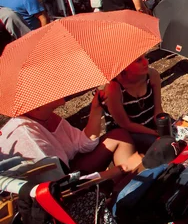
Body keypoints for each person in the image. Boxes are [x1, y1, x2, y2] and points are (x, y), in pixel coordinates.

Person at [0, 96, 141, 176]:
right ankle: (119, 201)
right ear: (35, 103)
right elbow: (60, 187)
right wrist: (122, 168)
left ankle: (128, 187)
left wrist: (96, 109)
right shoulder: (27, 138)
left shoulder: (46, 116)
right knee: (133, 164)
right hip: (59, 193)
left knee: (119, 136)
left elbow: (83, 144)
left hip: (68, 171)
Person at [101, 54, 164, 152]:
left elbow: (158, 109)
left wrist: (163, 124)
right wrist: (155, 133)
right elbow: (126, 124)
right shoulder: (113, 89)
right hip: (127, 134)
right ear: (124, 66)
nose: (146, 62)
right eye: (139, 60)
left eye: (145, 57)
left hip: (150, 124)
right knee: (161, 147)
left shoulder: (152, 75)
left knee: (179, 131)